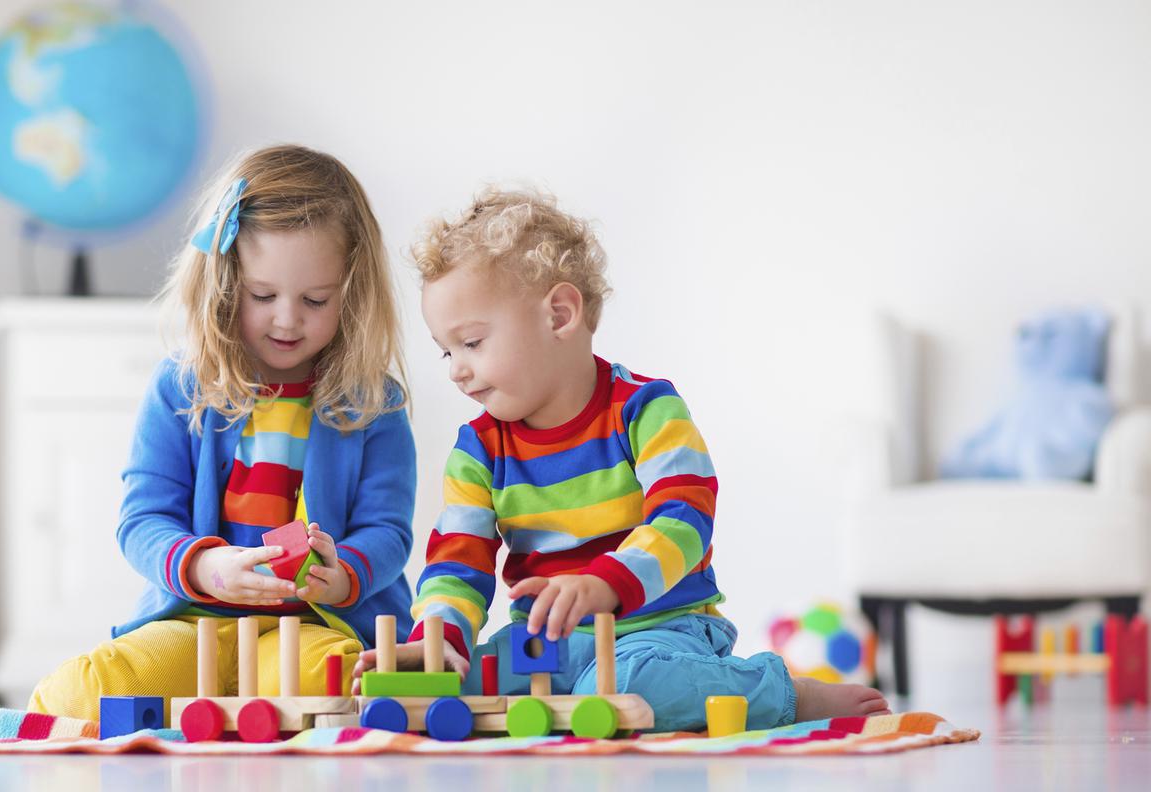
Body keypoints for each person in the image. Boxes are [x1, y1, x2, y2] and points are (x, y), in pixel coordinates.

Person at [353, 187, 888, 731]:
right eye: (447, 351)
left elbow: (685, 517)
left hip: (657, 628)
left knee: (630, 684)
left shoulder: (644, 409)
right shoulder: (478, 450)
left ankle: (778, 693)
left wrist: (606, 583)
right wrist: (441, 637)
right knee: (441, 681)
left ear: (559, 315)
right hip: (547, 645)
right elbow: (456, 561)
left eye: (472, 343)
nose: (457, 371)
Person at [30, 145, 416, 721]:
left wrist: (342, 578)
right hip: (197, 622)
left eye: (315, 300)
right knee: (80, 696)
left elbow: (387, 529)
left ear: (351, 294)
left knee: (337, 683)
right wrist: (204, 569)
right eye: (263, 296)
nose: (287, 319)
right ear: (225, 283)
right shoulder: (181, 387)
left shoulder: (373, 402)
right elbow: (143, 520)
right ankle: (242, 706)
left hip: (314, 625)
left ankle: (269, 708)